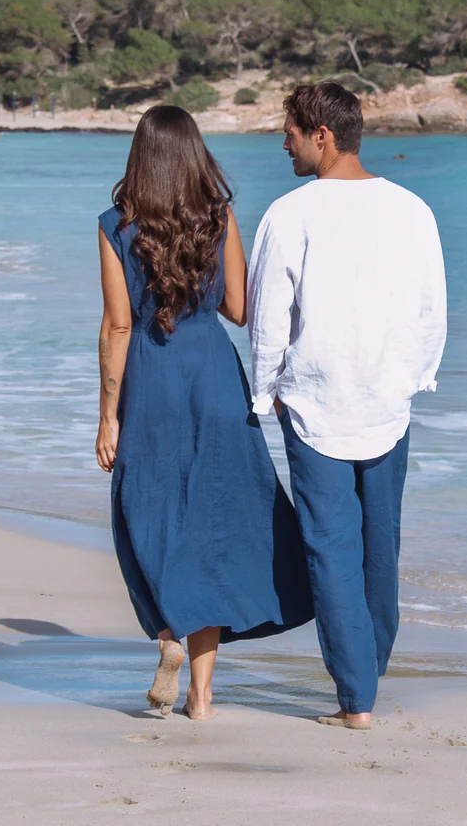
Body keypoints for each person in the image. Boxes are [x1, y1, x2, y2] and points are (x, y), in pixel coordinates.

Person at [96, 105, 313, 720]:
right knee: (213, 525)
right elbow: (241, 310)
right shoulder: (218, 217)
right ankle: (202, 696)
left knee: (151, 512)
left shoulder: (116, 225)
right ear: (195, 153)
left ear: (140, 155)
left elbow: (117, 324)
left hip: (152, 380)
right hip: (214, 378)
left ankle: (168, 632)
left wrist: (108, 415)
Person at [247, 82, 446, 731]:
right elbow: (431, 309)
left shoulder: (289, 213)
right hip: (388, 401)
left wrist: (263, 389)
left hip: (315, 404)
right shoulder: (413, 210)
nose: (284, 144)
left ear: (321, 136)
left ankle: (357, 697)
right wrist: (413, 377)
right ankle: (369, 669)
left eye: (290, 132)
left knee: (331, 549)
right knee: (379, 546)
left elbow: (269, 316)